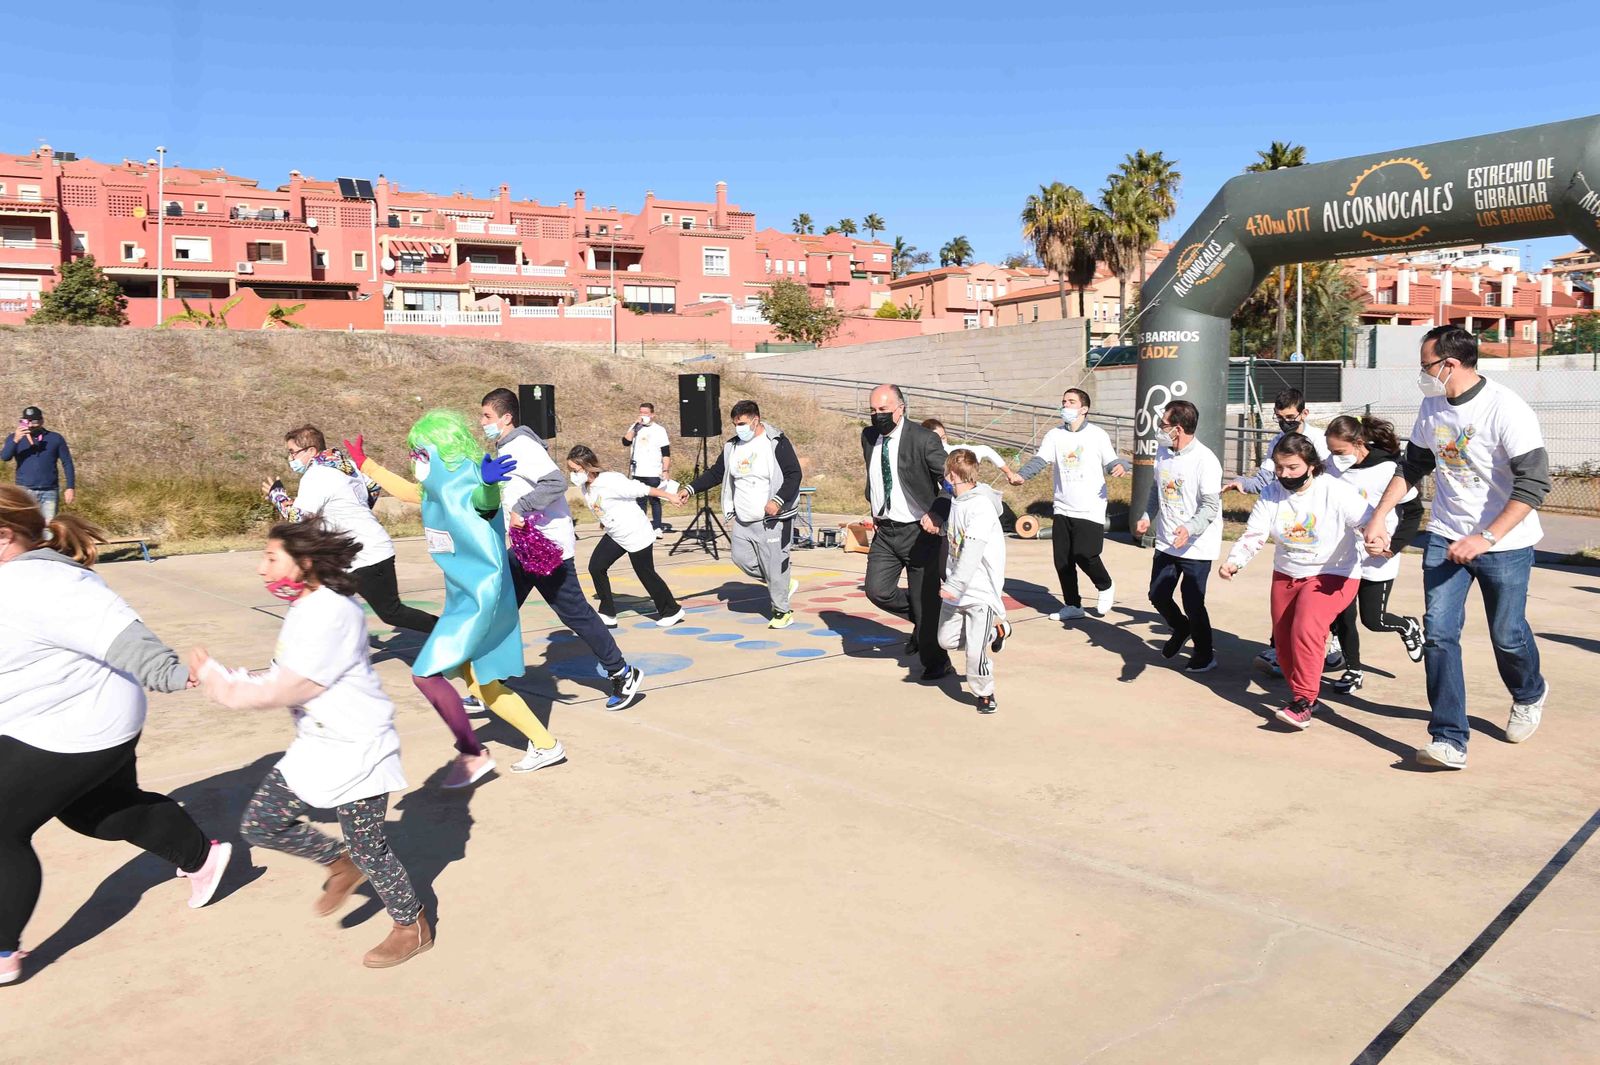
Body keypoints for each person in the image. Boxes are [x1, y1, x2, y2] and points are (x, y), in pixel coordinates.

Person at [0, 486, 230, 986]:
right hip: (42, 716)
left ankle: (2, 950)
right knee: (94, 813)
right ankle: (201, 854)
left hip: (81, 723)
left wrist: (170, 672)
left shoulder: (42, 583)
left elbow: (120, 633)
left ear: (3, 538)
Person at [193, 519, 429, 969]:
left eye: (270, 558)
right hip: (317, 744)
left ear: (304, 563)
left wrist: (221, 685)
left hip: (357, 747)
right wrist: (226, 676)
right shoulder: (306, 608)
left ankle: (411, 924)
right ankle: (339, 862)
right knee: (261, 824)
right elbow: (279, 672)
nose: (262, 570)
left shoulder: (332, 613)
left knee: (369, 847)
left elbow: (293, 686)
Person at [345, 411, 567, 783]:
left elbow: (484, 503)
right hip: (464, 593)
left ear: (439, 447)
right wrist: (366, 464)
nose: (415, 459)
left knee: (426, 673)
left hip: (482, 593)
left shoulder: (467, 476)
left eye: (419, 452)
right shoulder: (437, 483)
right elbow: (407, 490)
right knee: (479, 680)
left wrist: (491, 485)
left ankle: (473, 752)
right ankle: (545, 744)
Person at [1366, 325, 1551, 771]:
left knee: (1507, 636)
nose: (1423, 374)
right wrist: (1378, 516)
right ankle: (1449, 739)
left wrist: (1486, 537)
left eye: (1426, 366)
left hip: (1504, 543)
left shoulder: (1507, 409)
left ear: (1449, 364)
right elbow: (1412, 466)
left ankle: (1529, 693)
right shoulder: (1432, 407)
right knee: (1439, 635)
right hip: (1446, 537)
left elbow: (1534, 484)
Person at [480, 389, 644, 710]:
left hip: (547, 548)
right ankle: (490, 679)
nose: (482, 422)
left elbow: (556, 482)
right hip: (527, 546)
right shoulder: (508, 447)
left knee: (576, 613)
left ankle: (622, 672)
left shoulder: (523, 446)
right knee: (501, 609)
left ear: (506, 418)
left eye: (487, 416)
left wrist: (521, 508)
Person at [1219, 435, 1376, 730]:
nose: (1284, 475)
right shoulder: (1271, 493)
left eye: (1292, 467)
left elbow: (1368, 520)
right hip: (1288, 572)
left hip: (1334, 573)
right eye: (1279, 468)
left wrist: (1376, 538)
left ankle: (1303, 701)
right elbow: (1255, 534)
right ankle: (1304, 695)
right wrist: (1235, 560)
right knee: (1284, 640)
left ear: (1312, 466)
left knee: (1307, 627)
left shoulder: (1335, 491)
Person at [264, 425, 441, 639]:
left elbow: (298, 518)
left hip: (367, 555)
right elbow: (371, 492)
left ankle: (450, 632)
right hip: (351, 553)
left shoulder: (316, 475)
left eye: (293, 452)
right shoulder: (345, 466)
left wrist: (277, 495)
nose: (290, 458)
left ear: (311, 451)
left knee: (392, 613)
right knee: (319, 602)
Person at [1225, 388, 1338, 675]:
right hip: (1288, 519)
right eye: (1279, 418)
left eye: (1290, 417)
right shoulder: (1277, 441)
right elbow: (1265, 478)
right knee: (1286, 597)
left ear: (1304, 413)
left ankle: (1332, 646)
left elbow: (1333, 479)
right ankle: (1282, 650)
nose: (1285, 423)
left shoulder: (1319, 443)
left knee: (1319, 591)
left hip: (1317, 518)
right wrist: (1243, 484)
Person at [676, 399, 803, 629]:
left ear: (756, 420)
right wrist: (690, 488)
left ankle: (782, 611)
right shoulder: (732, 446)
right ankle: (782, 583)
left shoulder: (776, 442)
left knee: (774, 565)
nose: (739, 428)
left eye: (742, 423)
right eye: (735, 424)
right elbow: (716, 473)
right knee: (741, 559)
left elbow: (794, 474)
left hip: (772, 519)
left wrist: (778, 500)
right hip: (743, 518)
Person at [1323, 415, 1425, 694]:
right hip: (1343, 557)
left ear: (1358, 443)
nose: (1334, 458)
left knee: (1374, 620)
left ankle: (1408, 626)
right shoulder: (1331, 467)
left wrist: (1391, 547)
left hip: (1378, 556)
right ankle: (1353, 670)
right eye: (1330, 452)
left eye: (1339, 452)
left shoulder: (1387, 469)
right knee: (1343, 616)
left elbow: (1415, 512)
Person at [861, 384, 954, 680]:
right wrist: (875, 507)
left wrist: (938, 513)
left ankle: (937, 662)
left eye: (884, 411)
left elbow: (950, 481)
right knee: (877, 590)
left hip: (920, 531)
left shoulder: (923, 440)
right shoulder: (868, 437)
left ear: (901, 408)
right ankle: (926, 620)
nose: (878, 417)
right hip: (886, 532)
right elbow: (875, 474)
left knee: (925, 600)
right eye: (873, 411)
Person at [1015, 388, 1130, 621]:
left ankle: (1105, 584)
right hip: (1063, 506)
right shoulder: (1055, 435)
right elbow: (1040, 460)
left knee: (1086, 554)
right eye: (1063, 401)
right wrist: (1022, 475)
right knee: (1063, 560)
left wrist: (1121, 465)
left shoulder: (1097, 435)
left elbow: (1112, 461)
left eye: (1071, 402)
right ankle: (1073, 605)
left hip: (1090, 506)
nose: (1065, 406)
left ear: (1084, 409)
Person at [1134, 399, 1222, 673]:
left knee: (1193, 601)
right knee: (1157, 594)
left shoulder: (1206, 461)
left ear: (1179, 428)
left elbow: (1210, 506)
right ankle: (1181, 627)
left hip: (1196, 545)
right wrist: (1148, 516)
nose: (1159, 429)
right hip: (1166, 541)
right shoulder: (1163, 452)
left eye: (1163, 425)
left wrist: (1189, 528)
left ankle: (1205, 654)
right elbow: (1156, 490)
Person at [566, 444, 684, 628]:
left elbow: (642, 489)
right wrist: (603, 519)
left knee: (646, 573)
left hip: (635, 532)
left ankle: (672, 610)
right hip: (616, 533)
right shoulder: (585, 487)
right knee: (596, 567)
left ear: (587, 466)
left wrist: (670, 496)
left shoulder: (611, 481)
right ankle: (607, 613)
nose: (572, 474)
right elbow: (602, 505)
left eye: (575, 469)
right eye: (570, 470)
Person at [937, 449, 1010, 714]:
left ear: (952, 474)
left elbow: (972, 551)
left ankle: (985, 694)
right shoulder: (957, 501)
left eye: (945, 474)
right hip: (956, 588)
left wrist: (954, 585)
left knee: (974, 654)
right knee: (945, 640)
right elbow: (956, 539)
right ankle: (997, 631)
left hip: (979, 589)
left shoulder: (980, 506)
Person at [2, 406, 75, 522]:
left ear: (41, 421)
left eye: (34, 421)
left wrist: (70, 487)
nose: (30, 425)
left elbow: (67, 462)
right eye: (26, 421)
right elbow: (5, 457)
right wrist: (15, 440)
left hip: (49, 491)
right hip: (24, 490)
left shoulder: (55, 438)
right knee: (27, 526)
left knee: (49, 528)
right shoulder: (14, 438)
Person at [921, 418, 1025, 484]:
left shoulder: (954, 452)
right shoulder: (919, 457)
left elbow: (986, 449)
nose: (942, 443)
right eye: (936, 440)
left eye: (943, 438)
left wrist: (1009, 473)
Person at [622, 402, 672, 536]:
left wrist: (665, 470)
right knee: (640, 500)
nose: (643, 416)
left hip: (653, 471)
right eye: (641, 413)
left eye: (646, 413)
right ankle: (641, 526)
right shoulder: (635, 428)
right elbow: (625, 442)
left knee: (654, 500)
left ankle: (657, 527)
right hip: (637, 471)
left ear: (652, 415)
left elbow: (666, 453)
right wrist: (635, 427)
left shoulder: (659, 430)